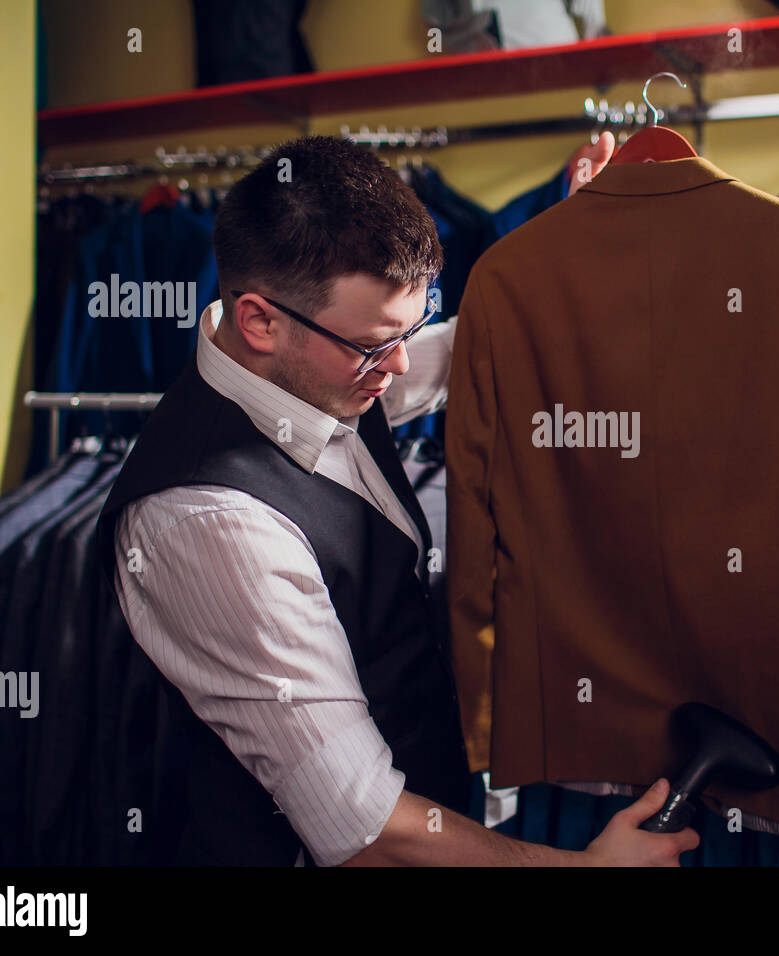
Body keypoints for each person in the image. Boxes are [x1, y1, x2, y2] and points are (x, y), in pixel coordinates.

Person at [97, 133, 698, 866]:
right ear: (258, 321)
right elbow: (366, 830)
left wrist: (573, 255)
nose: (401, 363)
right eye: (376, 343)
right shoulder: (211, 526)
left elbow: (469, 354)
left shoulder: (318, 371)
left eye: (407, 330)